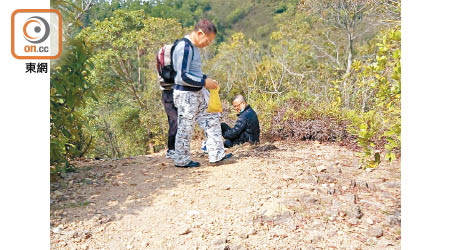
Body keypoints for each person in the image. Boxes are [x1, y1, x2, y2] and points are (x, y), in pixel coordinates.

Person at [172, 19, 232, 168]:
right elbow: (182, 76)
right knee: (186, 127)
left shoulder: (194, 47)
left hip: (198, 93)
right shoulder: (184, 47)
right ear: (199, 33)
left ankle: (216, 155)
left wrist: (205, 80)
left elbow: (193, 73)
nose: (208, 44)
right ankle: (181, 160)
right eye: (208, 39)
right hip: (186, 95)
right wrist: (204, 82)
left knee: (212, 119)